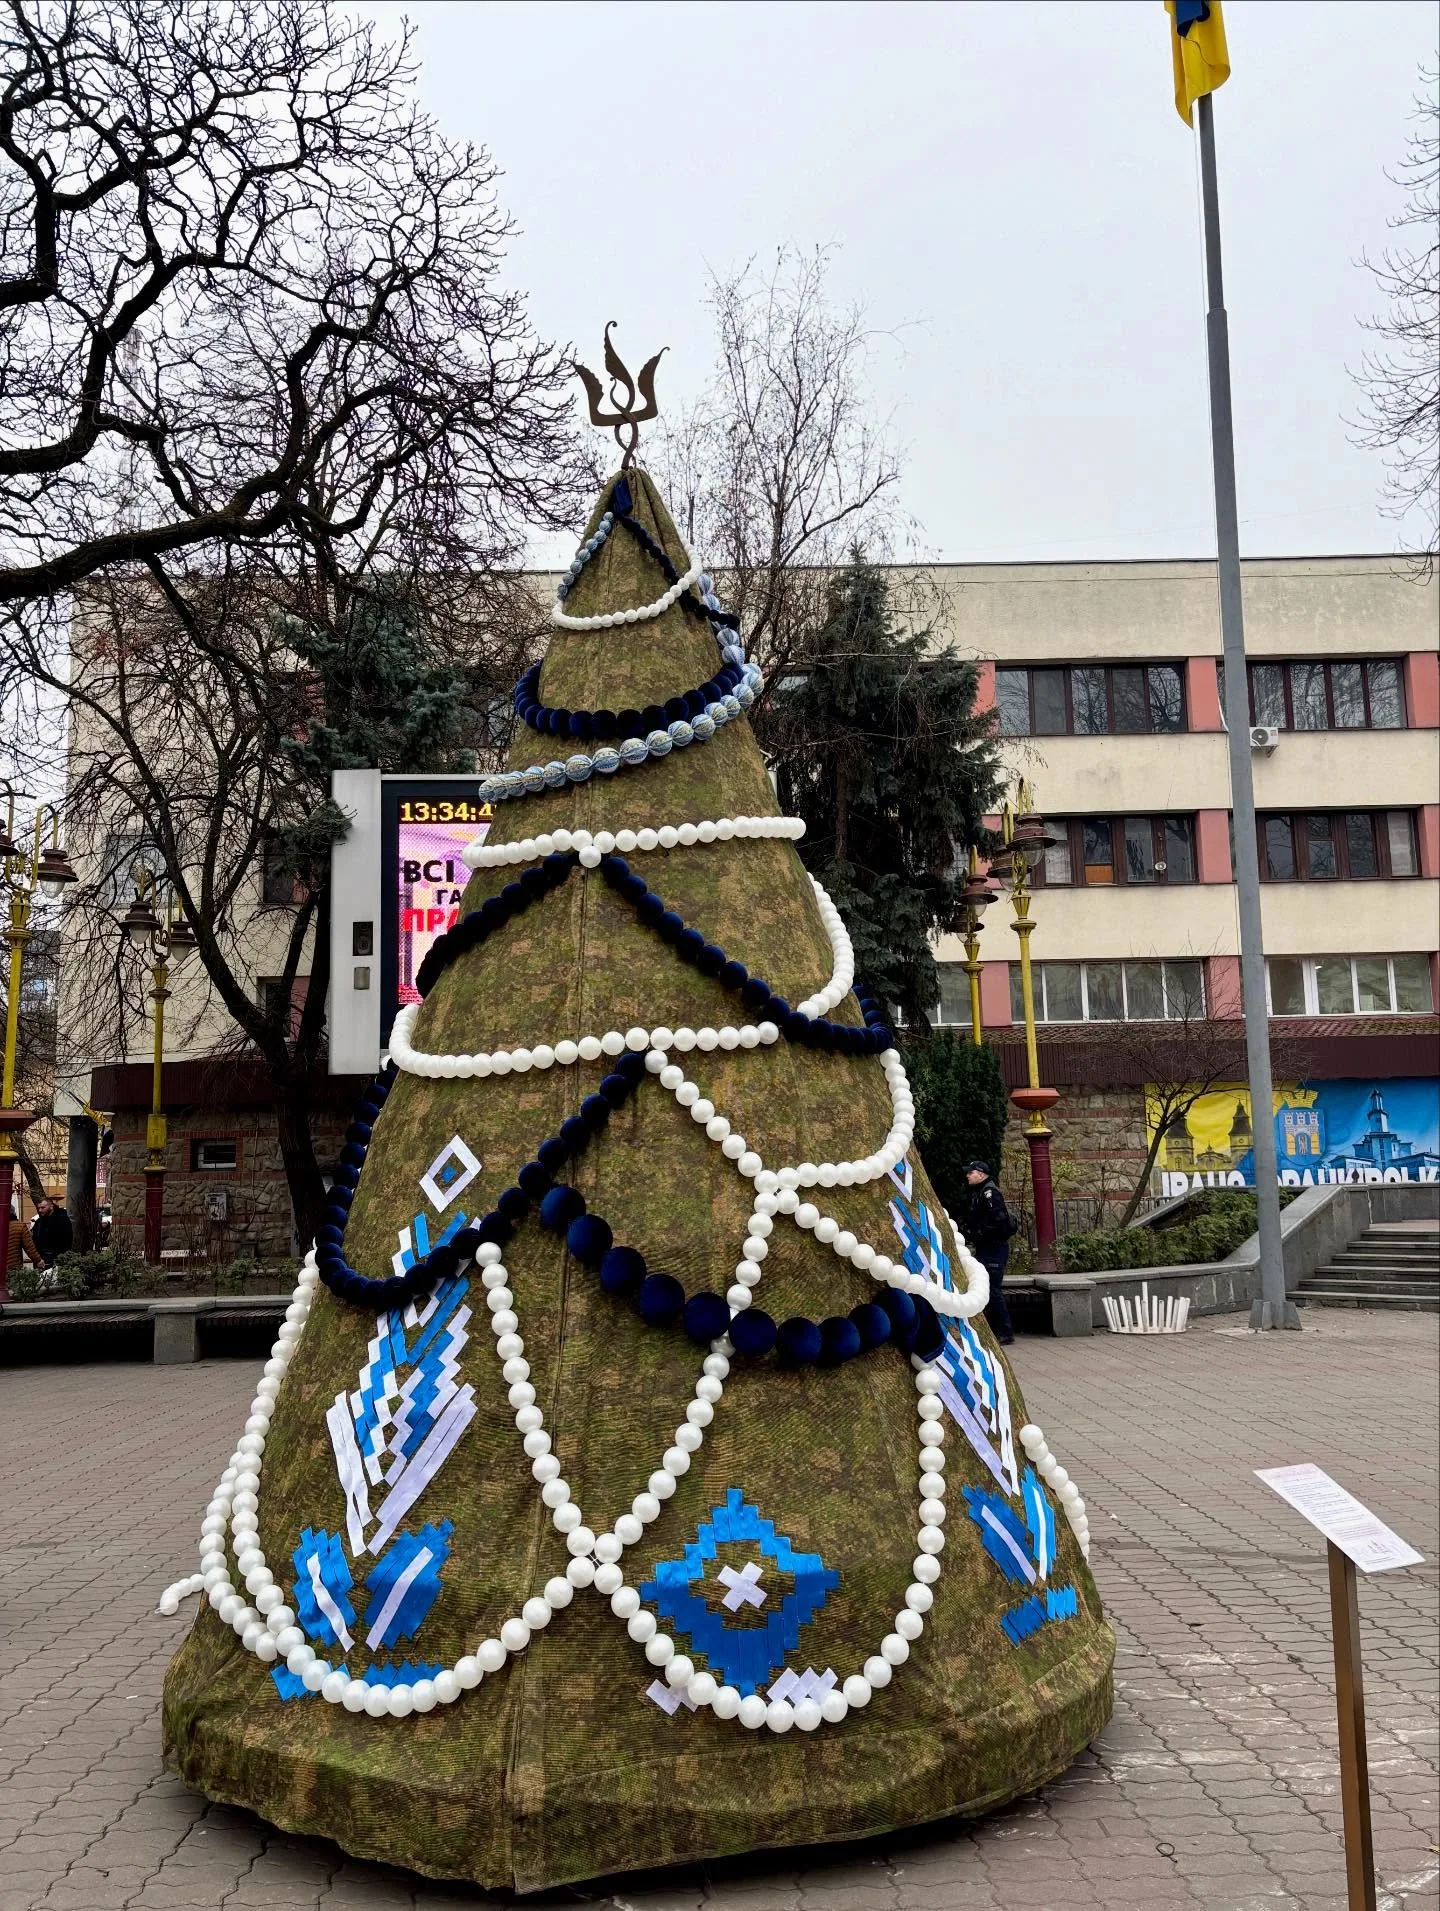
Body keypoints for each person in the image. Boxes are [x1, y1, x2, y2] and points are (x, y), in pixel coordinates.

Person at [964, 1159, 1017, 1345]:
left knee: (992, 1289)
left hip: (994, 1248)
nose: (967, 1175)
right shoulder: (978, 1192)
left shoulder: (989, 1193)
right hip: (986, 1247)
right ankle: (995, 1329)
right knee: (985, 1287)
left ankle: (1005, 1332)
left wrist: (980, 1233)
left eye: (971, 1172)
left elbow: (999, 1221)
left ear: (981, 1174)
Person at [24, 1195, 73, 1269]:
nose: (40, 1210)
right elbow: (35, 1240)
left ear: (51, 1206)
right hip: (42, 1259)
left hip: (56, 1259)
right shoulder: (39, 1222)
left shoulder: (62, 1220)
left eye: (43, 1207)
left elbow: (67, 1240)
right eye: (39, 1208)